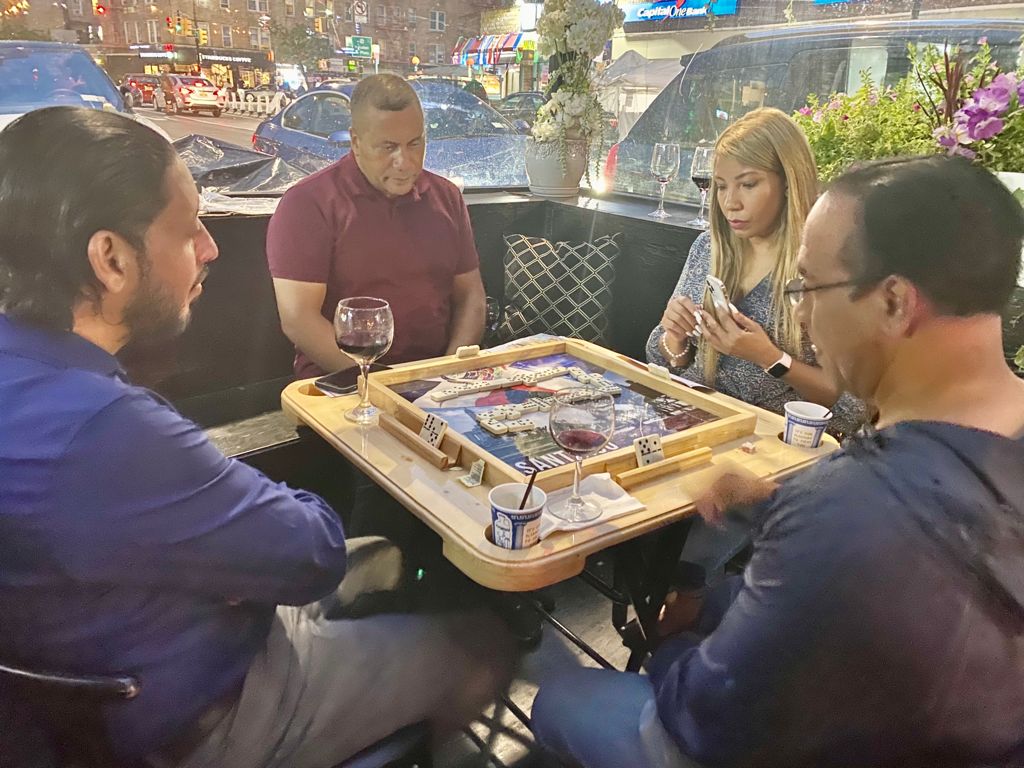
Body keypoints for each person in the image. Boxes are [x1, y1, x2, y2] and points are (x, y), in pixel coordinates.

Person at [0, 107, 515, 767]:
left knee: (377, 557)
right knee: (481, 643)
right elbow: (311, 552)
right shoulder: (106, 429)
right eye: (190, 228)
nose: (211, 247)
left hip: (86, 685)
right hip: (199, 713)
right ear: (111, 259)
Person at [533, 154, 1024, 768]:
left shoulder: (847, 511)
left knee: (563, 695)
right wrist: (774, 506)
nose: (802, 316)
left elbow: (698, 723)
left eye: (807, 288)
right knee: (717, 601)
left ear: (895, 302)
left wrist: (668, 649)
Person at [266, 73, 486, 380]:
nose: (405, 162)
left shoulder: (446, 197)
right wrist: (387, 385)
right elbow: (298, 319)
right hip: (342, 381)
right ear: (356, 142)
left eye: (415, 143)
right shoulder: (308, 203)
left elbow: (471, 298)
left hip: (434, 380)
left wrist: (448, 373)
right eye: (388, 147)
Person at [646, 108, 854, 426]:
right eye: (721, 186)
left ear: (788, 182)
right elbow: (660, 358)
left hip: (772, 441)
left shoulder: (827, 266)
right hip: (690, 421)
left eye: (748, 184)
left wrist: (769, 357)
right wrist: (675, 338)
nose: (731, 202)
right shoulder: (708, 246)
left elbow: (851, 407)